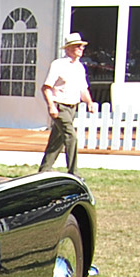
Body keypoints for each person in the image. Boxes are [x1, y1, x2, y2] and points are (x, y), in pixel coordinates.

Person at [39, 33, 96, 177]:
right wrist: (51, 106)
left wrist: (89, 102)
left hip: (72, 107)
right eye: (77, 46)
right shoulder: (58, 65)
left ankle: (44, 169)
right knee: (71, 137)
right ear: (68, 48)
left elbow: (83, 89)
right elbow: (46, 87)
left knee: (57, 140)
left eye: (82, 46)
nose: (81, 48)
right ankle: (73, 172)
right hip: (60, 106)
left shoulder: (80, 67)